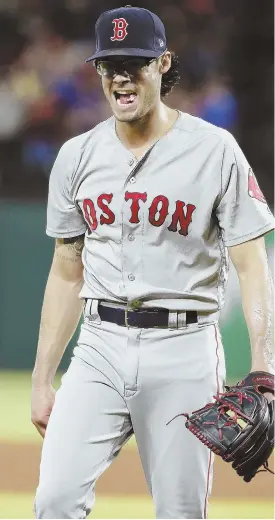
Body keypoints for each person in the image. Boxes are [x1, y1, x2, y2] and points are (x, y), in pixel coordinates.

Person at [31, 6, 275, 519]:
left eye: (134, 62)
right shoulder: (76, 157)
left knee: (181, 512)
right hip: (99, 346)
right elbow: (65, 270)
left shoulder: (215, 150)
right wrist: (41, 377)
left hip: (183, 348)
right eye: (108, 64)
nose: (120, 75)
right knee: (53, 501)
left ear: (163, 64)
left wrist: (264, 367)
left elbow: (252, 264)